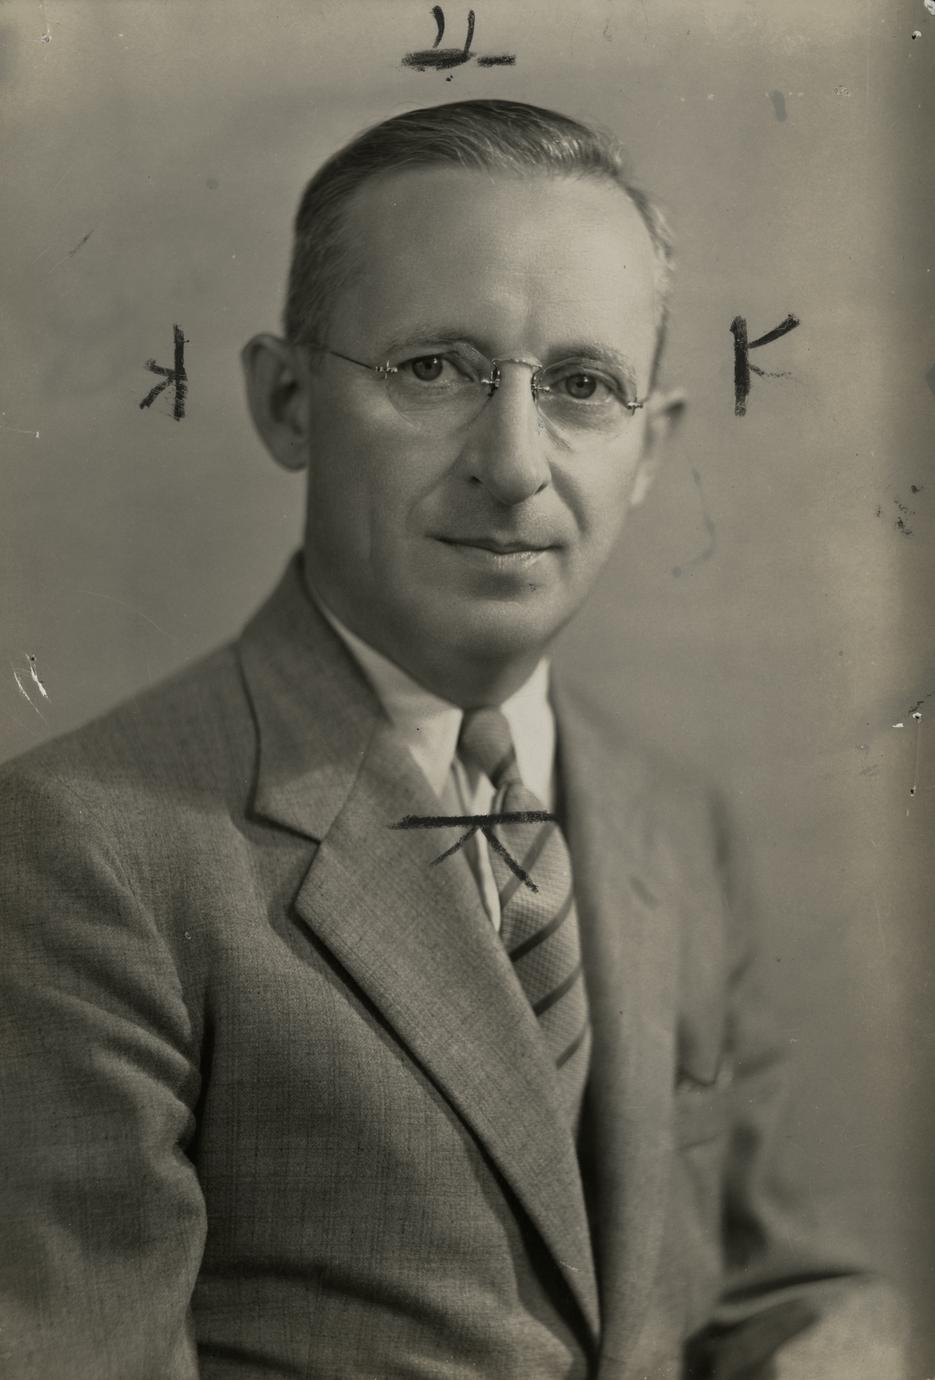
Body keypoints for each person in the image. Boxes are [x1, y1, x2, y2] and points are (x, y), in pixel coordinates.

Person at [0, 99, 904, 1379]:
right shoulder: (86, 848)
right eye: (433, 369)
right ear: (287, 401)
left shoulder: (668, 822)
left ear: (649, 447)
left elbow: (780, 1286)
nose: (513, 463)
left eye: (581, 387)